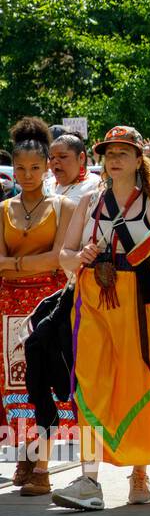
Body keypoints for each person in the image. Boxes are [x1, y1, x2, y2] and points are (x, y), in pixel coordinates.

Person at [52, 126, 150, 510]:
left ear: (139, 159)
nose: (114, 159)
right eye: (109, 152)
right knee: (89, 384)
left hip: (134, 304)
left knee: (138, 381)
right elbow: (63, 254)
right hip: (92, 302)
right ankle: (88, 480)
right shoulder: (90, 201)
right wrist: (76, 257)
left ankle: (140, 472)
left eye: (123, 153)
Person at [2, 119, 75, 496]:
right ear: (12, 168)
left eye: (35, 167)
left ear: (47, 166)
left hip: (48, 305)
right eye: (20, 168)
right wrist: (31, 263)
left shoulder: (63, 206)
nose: (27, 175)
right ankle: (26, 456)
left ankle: (43, 465)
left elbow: (58, 259)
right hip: (8, 307)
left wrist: (15, 264)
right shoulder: (3, 209)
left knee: (45, 379)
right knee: (16, 384)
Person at [47, 133, 102, 203]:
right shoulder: (47, 184)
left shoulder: (96, 185)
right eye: (51, 157)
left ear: (81, 158)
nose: (55, 161)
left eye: (62, 156)